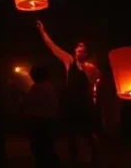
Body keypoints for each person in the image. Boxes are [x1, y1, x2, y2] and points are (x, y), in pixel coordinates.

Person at [37, 20, 100, 165]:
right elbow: (53, 47)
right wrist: (42, 31)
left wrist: (93, 100)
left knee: (88, 133)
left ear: (86, 52)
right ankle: (74, 160)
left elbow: (95, 86)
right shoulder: (69, 60)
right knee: (71, 134)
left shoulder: (91, 68)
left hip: (84, 103)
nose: (79, 48)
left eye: (82, 47)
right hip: (71, 102)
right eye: (78, 47)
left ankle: (95, 159)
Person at [24, 65, 60, 167]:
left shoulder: (37, 88)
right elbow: (54, 106)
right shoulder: (48, 88)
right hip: (45, 122)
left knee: (40, 149)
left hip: (39, 123)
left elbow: (29, 106)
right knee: (45, 149)